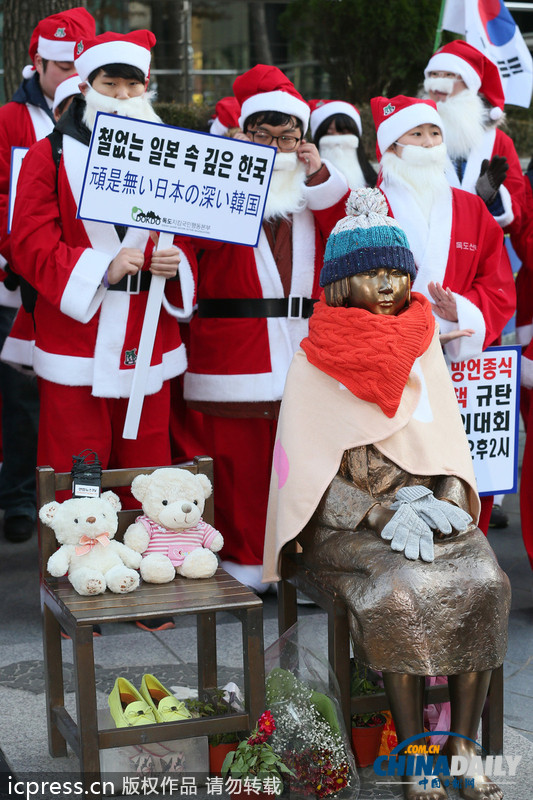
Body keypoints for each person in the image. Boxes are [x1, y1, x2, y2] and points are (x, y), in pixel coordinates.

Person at [263, 188, 510, 800]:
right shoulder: (312, 360)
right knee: (401, 591)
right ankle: (413, 751)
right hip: (345, 523)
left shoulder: (423, 345)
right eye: (374, 274)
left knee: (486, 580)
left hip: (428, 509)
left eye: (399, 272)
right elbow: (309, 476)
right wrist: (375, 512)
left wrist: (450, 499)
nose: (391, 284)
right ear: (343, 284)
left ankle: (462, 743)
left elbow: (446, 444)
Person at [183, 64, 349, 591]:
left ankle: (299, 564)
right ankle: (247, 561)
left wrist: (320, 176)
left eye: (288, 135)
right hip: (233, 352)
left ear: (304, 138)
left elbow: (357, 233)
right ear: (243, 134)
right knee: (238, 466)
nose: (276, 146)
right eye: (263, 135)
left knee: (306, 465)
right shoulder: (213, 183)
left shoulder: (316, 191)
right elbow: (183, 250)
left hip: (305, 351)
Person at [9, 29, 196, 492]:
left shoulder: (171, 156)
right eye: (110, 84)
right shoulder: (46, 155)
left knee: (148, 474)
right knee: (77, 473)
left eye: (133, 85)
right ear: (87, 85)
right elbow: (29, 245)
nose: (123, 95)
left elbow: (194, 232)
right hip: (76, 337)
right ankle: (77, 563)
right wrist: (100, 268)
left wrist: (176, 262)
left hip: (146, 331)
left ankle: (146, 562)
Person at [371, 95, 516, 534]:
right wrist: (415, 328)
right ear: (392, 146)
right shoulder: (371, 208)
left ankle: (470, 559)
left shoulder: (471, 208)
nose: (430, 142)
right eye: (417, 134)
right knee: (401, 467)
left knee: (466, 463)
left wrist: (462, 313)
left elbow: (498, 280)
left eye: (435, 133)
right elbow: (352, 285)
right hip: (397, 361)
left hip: (462, 360)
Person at [0, 7, 95, 542]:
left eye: (75, 64)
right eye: (59, 64)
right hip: (18, 280)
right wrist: (15, 257)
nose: (67, 73)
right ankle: (16, 499)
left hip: (78, 286)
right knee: (19, 399)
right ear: (36, 61)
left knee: (70, 416)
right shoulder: (10, 120)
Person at [423, 40, 525, 237]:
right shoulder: (408, 134)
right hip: (430, 254)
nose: (437, 82)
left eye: (449, 75)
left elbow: (519, 217)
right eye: (433, 74)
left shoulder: (499, 141)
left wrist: (492, 198)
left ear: (470, 83)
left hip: (487, 258)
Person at [309, 98, 377, 189]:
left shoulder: (379, 182)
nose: (337, 139)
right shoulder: (305, 181)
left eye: (344, 132)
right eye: (329, 133)